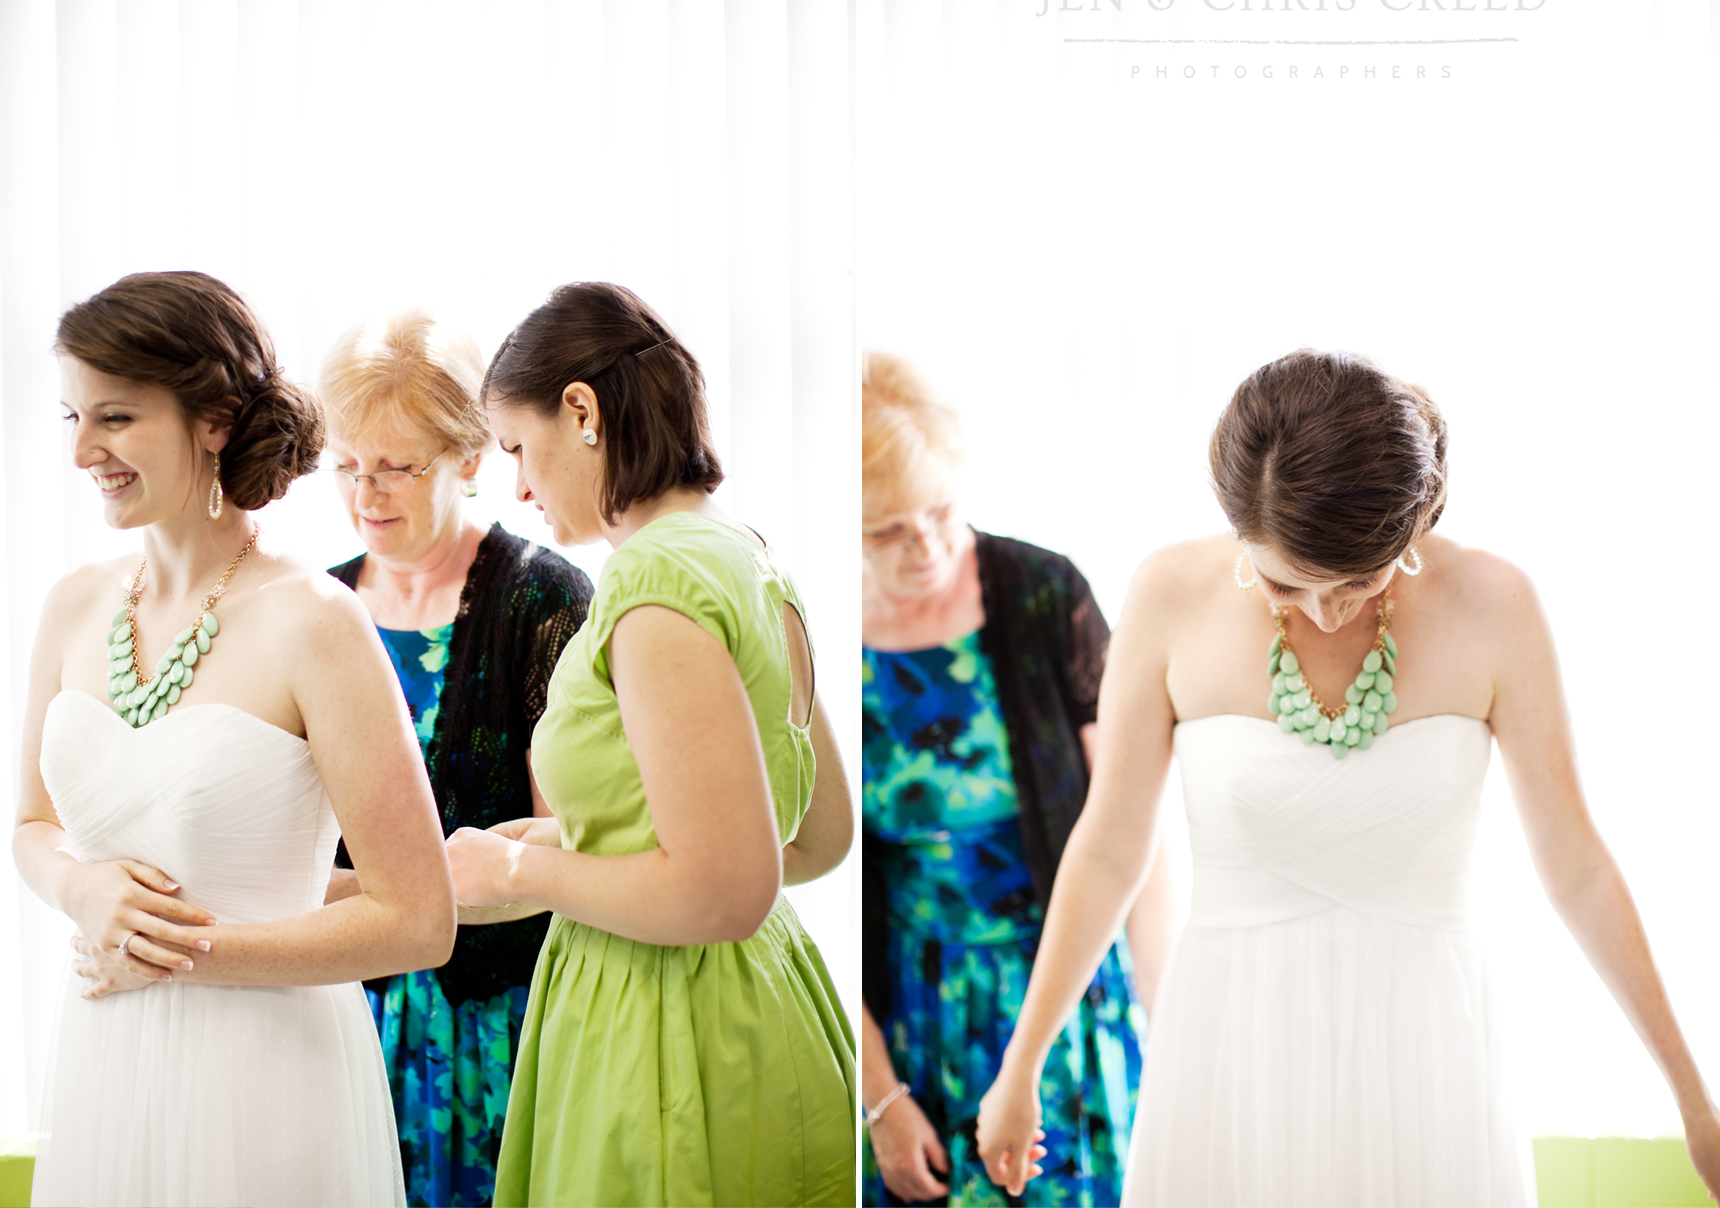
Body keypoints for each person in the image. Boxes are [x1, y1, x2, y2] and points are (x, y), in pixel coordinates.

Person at [976, 349, 1720, 1205]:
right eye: (1287, 581)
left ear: (1414, 526)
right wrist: (1022, 1061)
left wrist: (1695, 1099)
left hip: (1430, 1043)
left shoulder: (1496, 603)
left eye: (1361, 581)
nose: (1327, 612)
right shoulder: (1169, 594)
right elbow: (1109, 848)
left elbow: (1578, 866)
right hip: (1232, 1040)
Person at [13, 271, 456, 1207]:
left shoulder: (316, 620)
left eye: (117, 418)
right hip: (106, 1059)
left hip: (264, 1075)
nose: (86, 449)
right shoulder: (71, 606)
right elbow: (31, 827)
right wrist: (81, 886)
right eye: (73, 418)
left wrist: (176, 953)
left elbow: (419, 917)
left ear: (213, 420)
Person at [444, 281, 857, 1206]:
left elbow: (722, 887)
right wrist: (546, 842)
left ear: (581, 411)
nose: (517, 487)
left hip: (667, 1026)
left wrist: (516, 877)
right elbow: (813, 835)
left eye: (518, 447)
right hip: (762, 1000)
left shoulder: (654, 580)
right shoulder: (748, 556)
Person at [860, 352, 1177, 1207]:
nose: (925, 546)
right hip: (912, 1019)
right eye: (885, 530)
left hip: (1069, 996)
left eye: (940, 512)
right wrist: (879, 1097)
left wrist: (1169, 1019)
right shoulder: (810, 631)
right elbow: (804, 887)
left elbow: (1135, 834)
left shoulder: (1044, 593)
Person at [315, 310, 594, 1207]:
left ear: (471, 456)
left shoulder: (543, 598)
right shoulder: (313, 608)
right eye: (348, 467)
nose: (369, 492)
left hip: (496, 1027)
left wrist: (374, 890)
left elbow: (566, 846)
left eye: (398, 465)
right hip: (334, 1017)